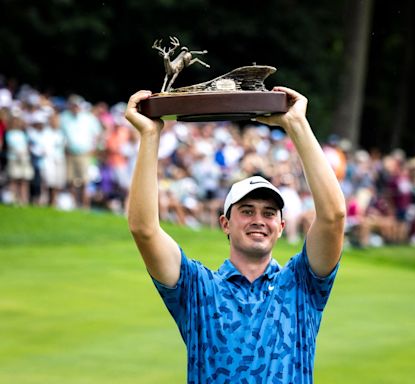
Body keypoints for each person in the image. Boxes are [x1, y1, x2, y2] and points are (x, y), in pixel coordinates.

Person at [125, 87, 346, 383]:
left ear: (281, 227)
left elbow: (333, 217)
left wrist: (297, 125)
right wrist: (150, 136)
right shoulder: (198, 288)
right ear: (225, 223)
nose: (259, 220)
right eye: (247, 211)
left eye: (269, 213)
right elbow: (144, 230)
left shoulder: (301, 285)